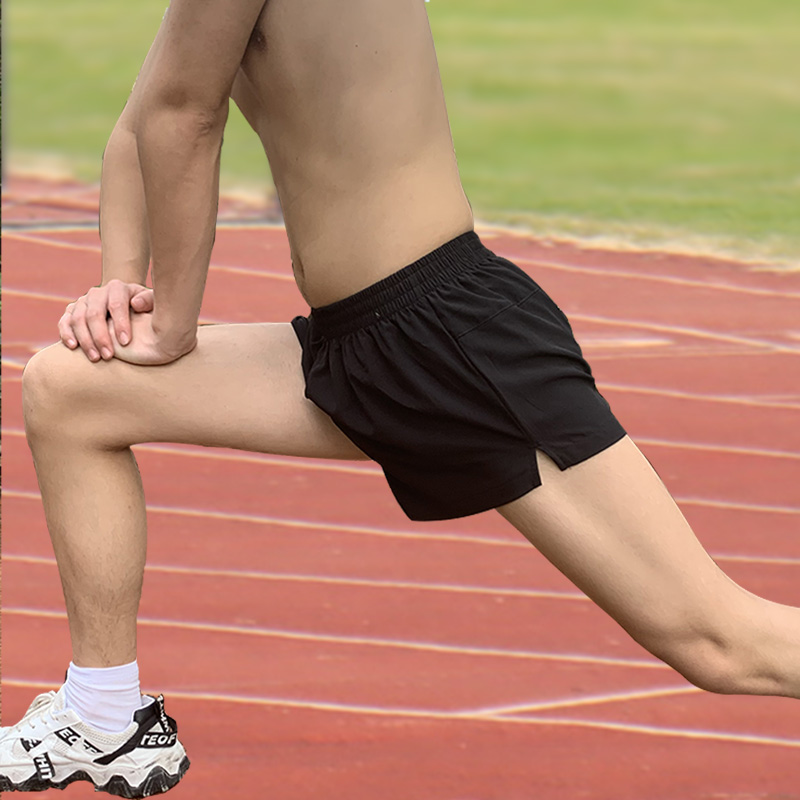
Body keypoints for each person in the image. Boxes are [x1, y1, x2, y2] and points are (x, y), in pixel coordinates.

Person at [2, 0, 799, 796]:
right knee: (72, 392)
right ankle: (104, 715)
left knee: (720, 644)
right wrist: (116, 282)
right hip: (361, 343)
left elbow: (185, 116)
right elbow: (143, 123)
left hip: (450, 342)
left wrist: (171, 321)